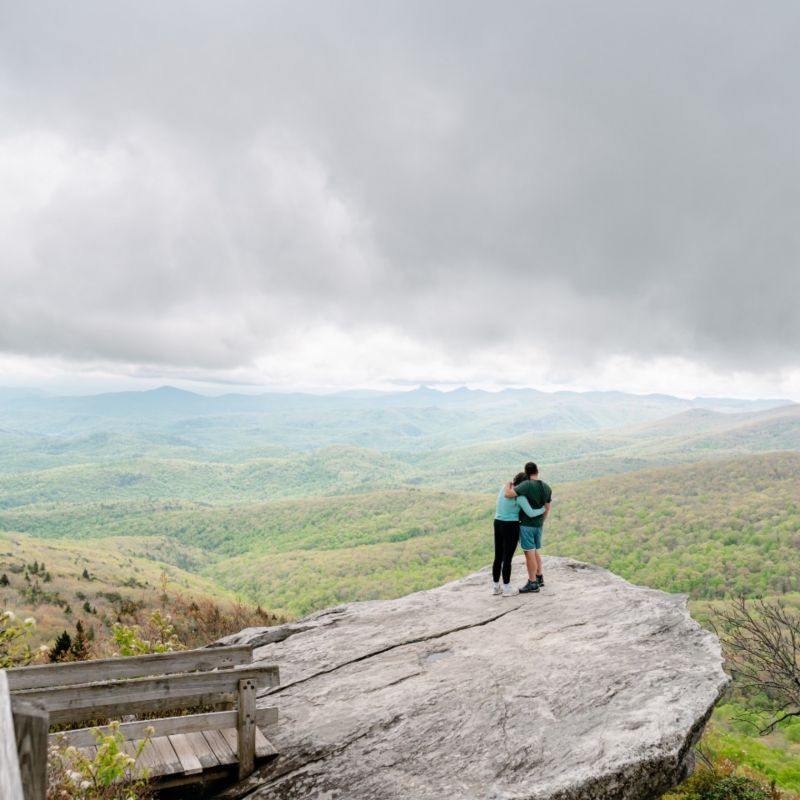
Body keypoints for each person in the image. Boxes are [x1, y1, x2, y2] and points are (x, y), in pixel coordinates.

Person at [493, 471, 546, 597]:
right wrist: (543, 509)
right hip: (511, 526)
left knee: (498, 556)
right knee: (507, 558)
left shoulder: (504, 488)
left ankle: (496, 587)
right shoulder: (519, 496)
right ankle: (507, 588)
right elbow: (531, 513)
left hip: (497, 523)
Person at [504, 461, 552, 593]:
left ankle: (532, 583)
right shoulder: (547, 487)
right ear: (538, 471)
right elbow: (547, 507)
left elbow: (508, 494)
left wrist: (508, 484)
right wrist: (542, 521)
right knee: (534, 551)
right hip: (538, 525)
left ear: (526, 472)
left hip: (526, 525)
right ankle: (539, 577)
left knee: (529, 554)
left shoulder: (526, 485)